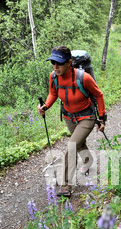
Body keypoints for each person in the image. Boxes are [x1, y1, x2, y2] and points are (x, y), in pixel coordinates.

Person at [37, 46, 106, 198]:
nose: (55, 67)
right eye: (53, 63)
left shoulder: (84, 78)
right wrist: (46, 106)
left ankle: (65, 185)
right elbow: (53, 93)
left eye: (59, 63)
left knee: (72, 147)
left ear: (69, 63)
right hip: (69, 117)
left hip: (87, 118)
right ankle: (88, 162)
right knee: (79, 143)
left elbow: (99, 95)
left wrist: (102, 118)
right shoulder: (53, 77)